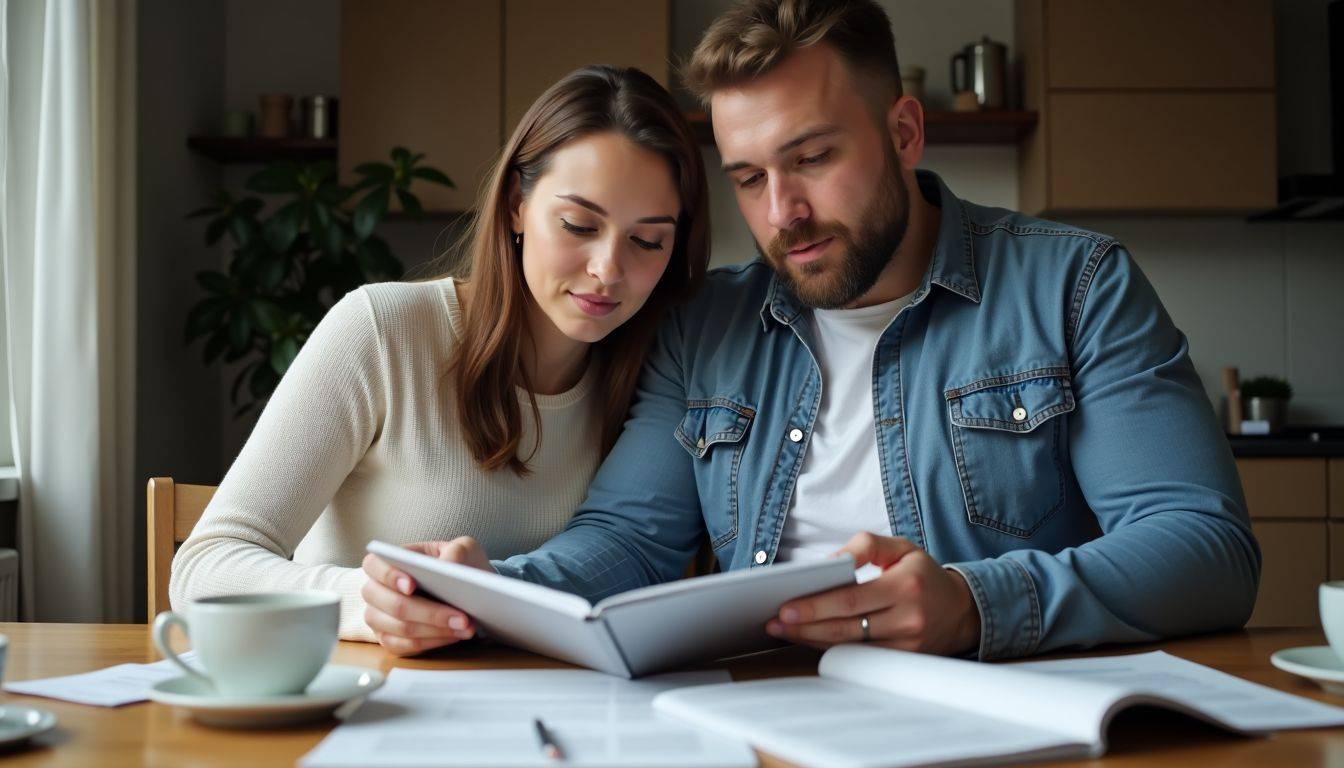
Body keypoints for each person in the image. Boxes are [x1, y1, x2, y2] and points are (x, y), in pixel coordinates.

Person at [366, 0, 1261, 661]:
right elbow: (630, 543)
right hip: (760, 712)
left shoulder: (1074, 284)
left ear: (904, 131)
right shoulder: (705, 323)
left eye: (814, 158)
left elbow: (1205, 548)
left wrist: (974, 603)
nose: (783, 212)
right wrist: (478, 593)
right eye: (748, 177)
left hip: (1001, 712)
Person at [169, 65, 710, 654]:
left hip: (540, 710)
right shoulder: (383, 332)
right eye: (578, 224)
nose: (608, 270)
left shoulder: (658, 376)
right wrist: (368, 603)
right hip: (361, 707)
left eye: (648, 240)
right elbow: (203, 569)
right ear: (514, 207)